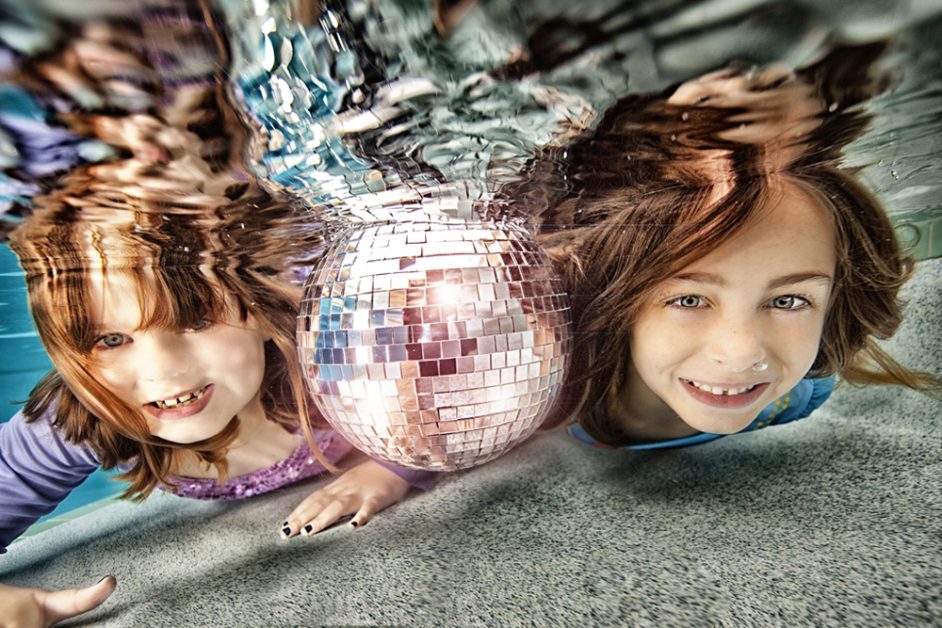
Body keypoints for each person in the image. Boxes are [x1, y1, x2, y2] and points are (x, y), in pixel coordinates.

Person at [0, 170, 435, 625]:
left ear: (259, 307)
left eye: (196, 319)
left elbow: (469, 364)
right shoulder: (82, 415)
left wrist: (395, 465)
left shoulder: (333, 348)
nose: (162, 370)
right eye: (109, 340)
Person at [535, 45, 939, 448]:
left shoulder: (803, 396)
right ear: (610, 295)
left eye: (789, 301)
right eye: (689, 300)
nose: (742, 354)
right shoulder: (538, 404)